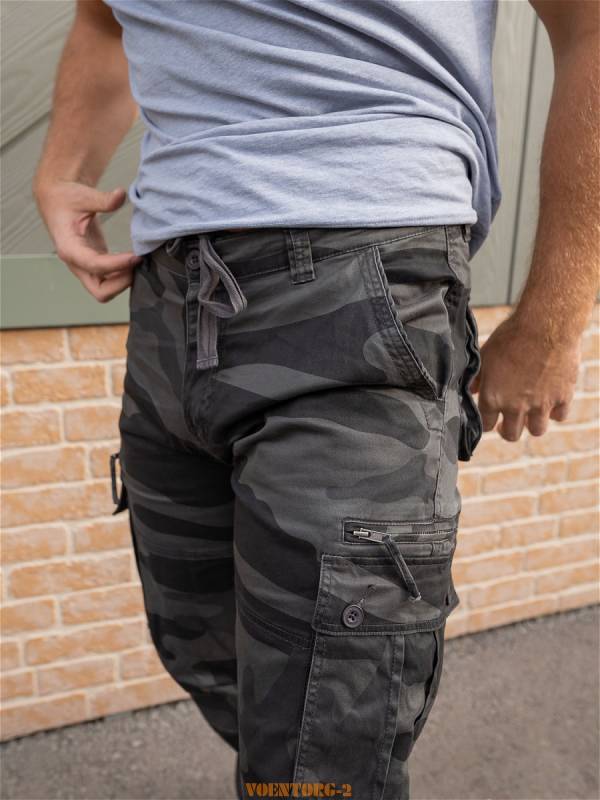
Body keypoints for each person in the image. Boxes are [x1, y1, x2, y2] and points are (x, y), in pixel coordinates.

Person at [33, 1, 598, 797]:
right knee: (214, 656)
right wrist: (61, 169)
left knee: (323, 742)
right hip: (168, 300)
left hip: (361, 276)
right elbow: (104, 19)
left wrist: (554, 318)